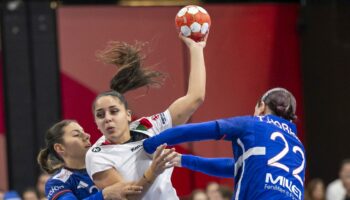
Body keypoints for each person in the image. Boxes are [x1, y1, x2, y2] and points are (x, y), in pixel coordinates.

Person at [85, 33, 208, 200]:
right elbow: (127, 197)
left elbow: (195, 98)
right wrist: (153, 171)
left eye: (114, 111)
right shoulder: (97, 155)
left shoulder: (148, 126)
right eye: (100, 115)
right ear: (96, 123)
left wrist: (196, 48)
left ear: (128, 115)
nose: (107, 118)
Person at [143, 87, 306, 200]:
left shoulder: (253, 124)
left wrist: (148, 144)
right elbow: (236, 167)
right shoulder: (299, 147)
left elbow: (195, 131)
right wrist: (183, 160)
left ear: (261, 107)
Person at [37, 120, 144, 200]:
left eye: (84, 132)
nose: (87, 136)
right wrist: (104, 194)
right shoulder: (57, 182)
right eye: (76, 134)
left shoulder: (107, 162)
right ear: (60, 148)